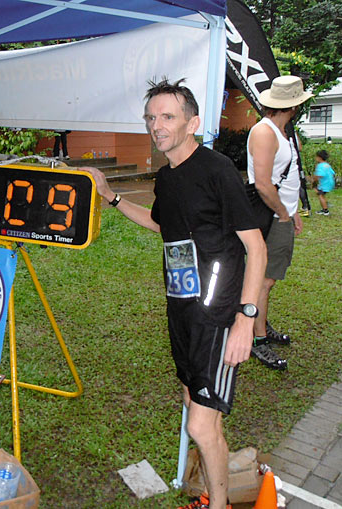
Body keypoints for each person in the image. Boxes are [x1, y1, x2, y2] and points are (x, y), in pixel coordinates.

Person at [82, 78, 266, 509]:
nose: (156, 125)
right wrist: (110, 197)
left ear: (193, 122)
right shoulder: (166, 177)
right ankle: (208, 489)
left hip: (219, 314)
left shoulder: (216, 169)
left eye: (167, 116)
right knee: (193, 403)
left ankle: (217, 504)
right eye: (151, 117)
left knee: (202, 426)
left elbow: (255, 246)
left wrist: (246, 319)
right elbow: (162, 226)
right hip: (181, 309)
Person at [246, 76, 313, 370]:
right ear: (295, 105)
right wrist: (283, 214)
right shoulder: (265, 132)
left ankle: (261, 325)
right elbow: (262, 184)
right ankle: (257, 339)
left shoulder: (283, 131)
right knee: (264, 280)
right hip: (270, 217)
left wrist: (293, 210)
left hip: (281, 214)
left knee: (268, 280)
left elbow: (285, 176)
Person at [313, 149, 335, 216]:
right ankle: (325, 206)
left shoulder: (320, 166)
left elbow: (319, 175)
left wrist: (313, 179)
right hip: (330, 183)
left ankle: (325, 210)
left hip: (324, 184)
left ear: (319, 158)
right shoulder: (327, 165)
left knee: (320, 195)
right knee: (322, 194)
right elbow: (333, 173)